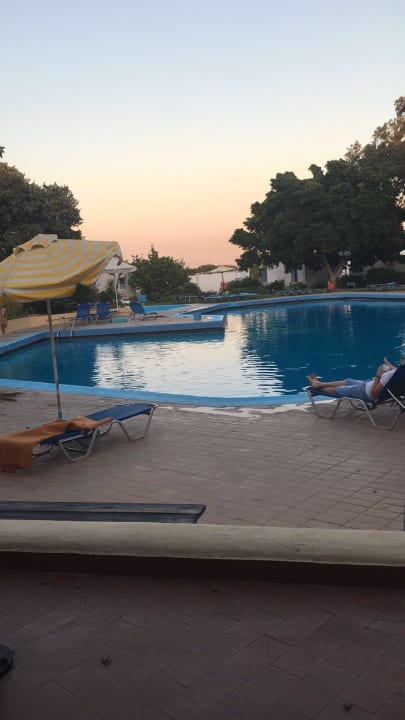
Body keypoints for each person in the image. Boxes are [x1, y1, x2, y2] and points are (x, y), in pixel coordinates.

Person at [307, 357, 401, 403]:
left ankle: (317, 388)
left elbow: (373, 394)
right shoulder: (399, 374)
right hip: (367, 384)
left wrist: (378, 375)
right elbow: (396, 371)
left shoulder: (389, 375)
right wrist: (389, 364)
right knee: (348, 381)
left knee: (339, 390)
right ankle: (319, 383)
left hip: (365, 392)